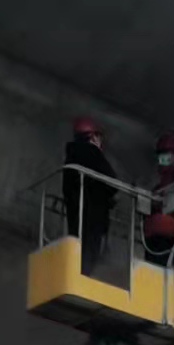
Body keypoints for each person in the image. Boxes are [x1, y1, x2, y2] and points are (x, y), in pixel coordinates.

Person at [62, 117, 116, 274]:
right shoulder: (92, 153)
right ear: (93, 137)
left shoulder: (71, 157)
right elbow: (112, 180)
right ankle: (83, 276)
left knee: (77, 247)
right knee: (90, 252)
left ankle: (75, 274)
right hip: (93, 214)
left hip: (76, 212)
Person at [142, 130, 174, 266]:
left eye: (167, 156)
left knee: (159, 268)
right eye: (161, 156)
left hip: (168, 235)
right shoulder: (159, 187)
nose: (163, 160)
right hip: (154, 234)